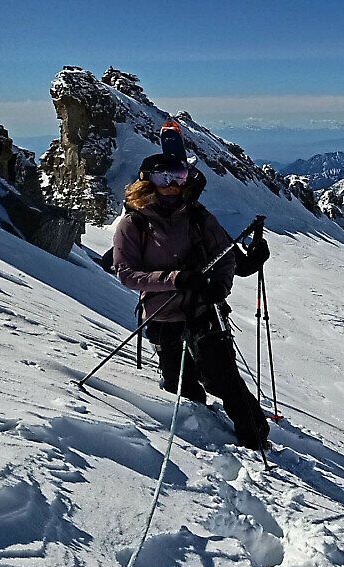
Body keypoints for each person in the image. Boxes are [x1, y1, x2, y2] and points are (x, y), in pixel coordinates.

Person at [112, 152, 270, 450]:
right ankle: (200, 436)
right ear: (146, 180)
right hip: (162, 316)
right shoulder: (133, 224)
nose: (172, 185)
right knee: (178, 385)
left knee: (223, 380)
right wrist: (175, 279)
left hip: (203, 311)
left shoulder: (198, 216)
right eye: (164, 177)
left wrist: (219, 288)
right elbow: (127, 274)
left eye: (180, 177)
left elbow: (224, 256)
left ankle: (256, 441)